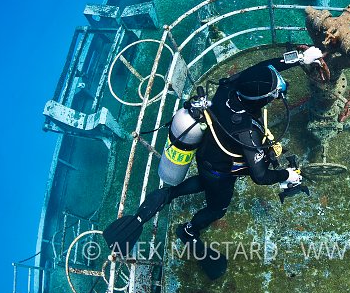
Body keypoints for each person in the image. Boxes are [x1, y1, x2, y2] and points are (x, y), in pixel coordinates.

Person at [104, 46, 323, 279]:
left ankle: (168, 195)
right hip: (221, 172)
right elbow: (260, 176)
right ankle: (189, 231)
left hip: (205, 155)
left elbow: (262, 68)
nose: (277, 90)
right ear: (261, 100)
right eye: (273, 93)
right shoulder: (246, 131)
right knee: (217, 208)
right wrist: (287, 176)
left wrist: (300, 58)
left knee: (206, 179)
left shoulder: (229, 87)